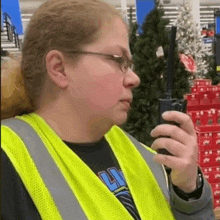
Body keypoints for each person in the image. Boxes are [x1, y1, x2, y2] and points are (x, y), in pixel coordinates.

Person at [1, 0, 216, 219]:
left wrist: (189, 190)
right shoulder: (8, 160)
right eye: (117, 60)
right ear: (59, 68)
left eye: (130, 64)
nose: (134, 78)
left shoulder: (137, 153)